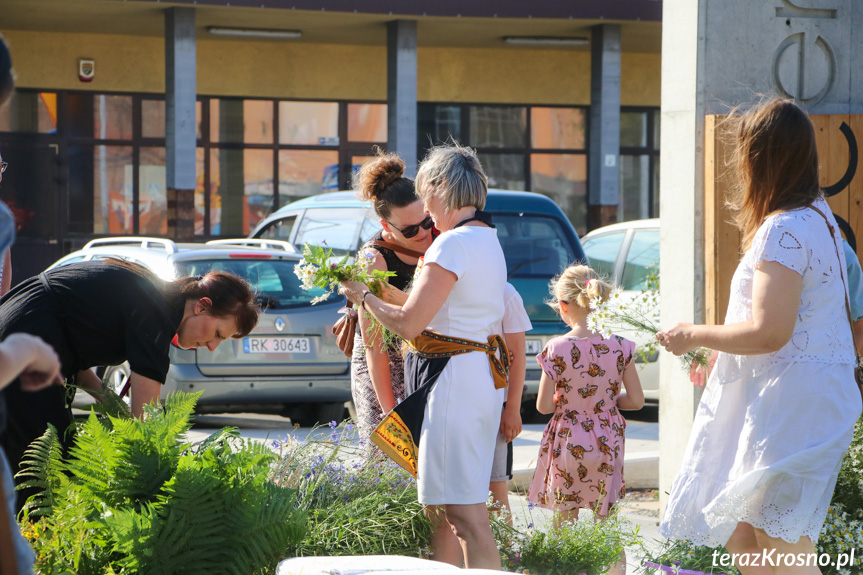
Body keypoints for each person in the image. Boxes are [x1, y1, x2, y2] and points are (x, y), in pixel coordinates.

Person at [657, 99, 861, 575]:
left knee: (778, 540)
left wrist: (693, 334)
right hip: (803, 398)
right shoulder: (822, 222)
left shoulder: (785, 229)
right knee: (744, 534)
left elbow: (770, 332)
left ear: (762, 158)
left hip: (795, 405)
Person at [340, 143, 507, 569]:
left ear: (436, 188)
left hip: (452, 381)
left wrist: (363, 295)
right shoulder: (487, 238)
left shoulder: (450, 245)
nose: (426, 209)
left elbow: (410, 323)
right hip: (477, 376)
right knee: (465, 514)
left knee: (464, 517)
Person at [0, 259, 259, 509]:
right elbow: (145, 427)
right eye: (217, 334)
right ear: (202, 306)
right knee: (50, 475)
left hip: (25, 333)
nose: (213, 347)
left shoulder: (155, 296)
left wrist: (111, 403)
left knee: (50, 468)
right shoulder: (156, 313)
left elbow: (77, 346)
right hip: (26, 342)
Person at [526, 264, 643, 575]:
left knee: (564, 520)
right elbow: (636, 401)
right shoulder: (620, 345)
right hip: (607, 443)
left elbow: (542, 407)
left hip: (568, 441)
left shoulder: (557, 348)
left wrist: (570, 401)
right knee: (607, 522)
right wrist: (605, 403)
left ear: (563, 306)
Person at [350, 151, 432, 438]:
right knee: (385, 449)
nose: (423, 234)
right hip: (385, 361)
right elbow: (375, 345)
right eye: (410, 230)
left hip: (425, 354)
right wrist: (390, 413)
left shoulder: (443, 237)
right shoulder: (373, 259)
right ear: (386, 227)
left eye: (426, 222)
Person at [488, 282, 532, 522]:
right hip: (457, 402)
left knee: (497, 492)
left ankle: (506, 555)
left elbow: (518, 354)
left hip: (498, 405)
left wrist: (513, 408)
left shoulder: (505, 293)